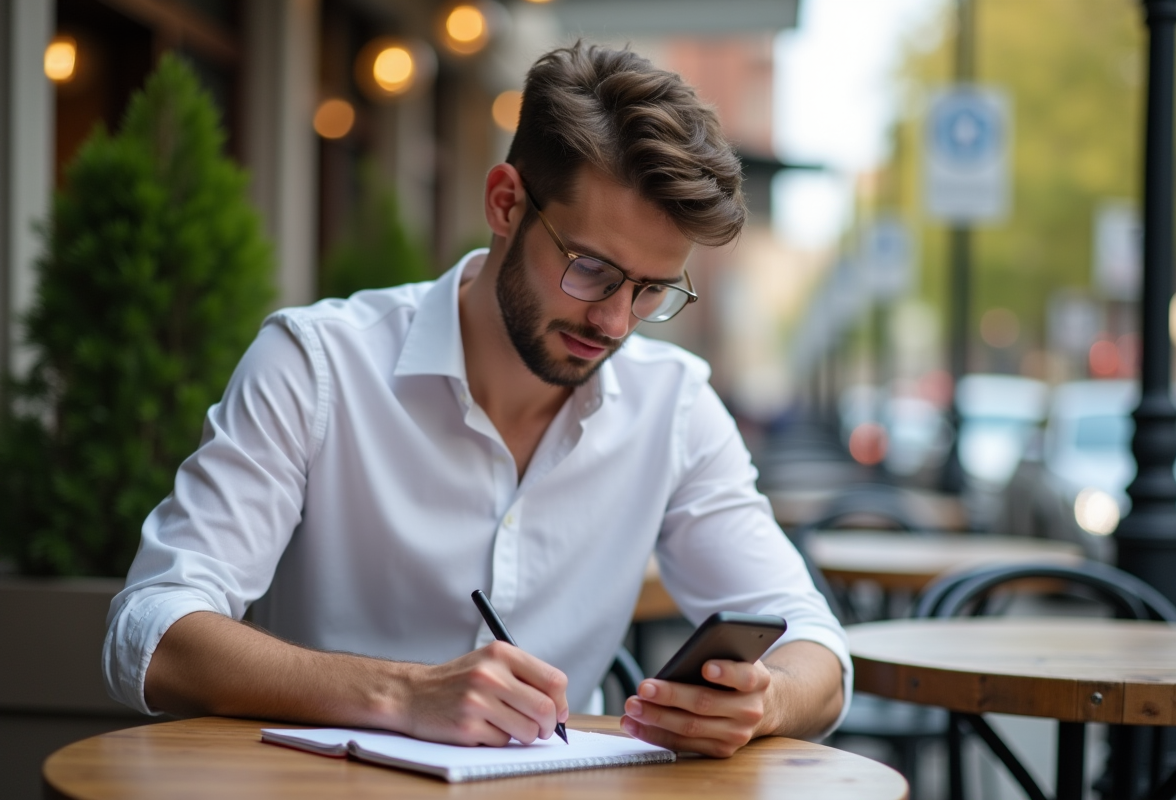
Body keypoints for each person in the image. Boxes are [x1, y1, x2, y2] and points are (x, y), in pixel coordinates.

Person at [103, 42, 849, 758]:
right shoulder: (317, 364)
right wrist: (401, 693)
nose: (616, 322)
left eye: (652, 290)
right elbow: (152, 631)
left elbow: (815, 648)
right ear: (505, 203)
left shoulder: (674, 406)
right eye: (592, 269)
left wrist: (764, 702)